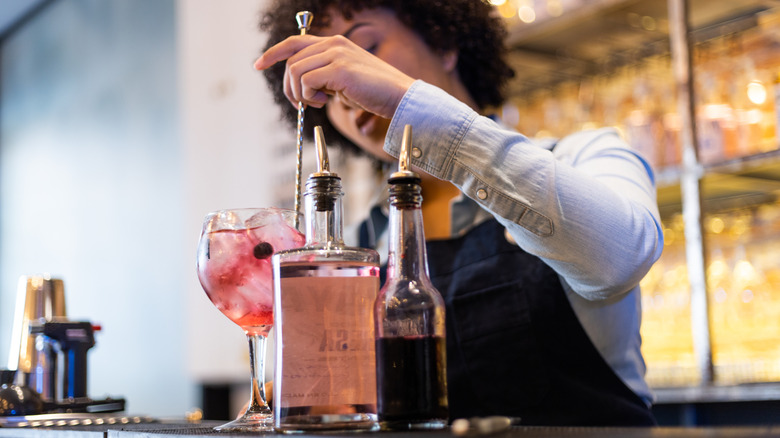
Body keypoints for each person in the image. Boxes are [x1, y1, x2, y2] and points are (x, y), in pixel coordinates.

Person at [255, 0, 663, 426]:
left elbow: (620, 257)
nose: (343, 87)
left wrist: (404, 100)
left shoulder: (586, 157)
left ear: (445, 43)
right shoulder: (358, 247)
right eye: (323, 86)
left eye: (365, 49)